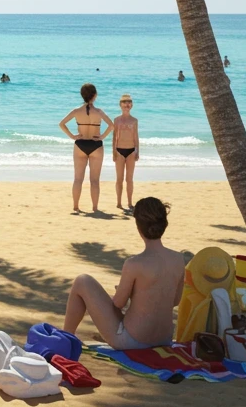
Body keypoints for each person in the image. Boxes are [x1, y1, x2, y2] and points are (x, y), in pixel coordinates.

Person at [62, 198, 182, 350]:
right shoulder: (178, 259)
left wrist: (127, 292)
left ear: (139, 228)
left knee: (82, 281)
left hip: (133, 341)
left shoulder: (134, 264)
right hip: (164, 339)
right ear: (164, 224)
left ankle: (65, 337)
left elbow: (119, 303)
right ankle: (66, 337)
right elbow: (175, 301)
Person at [59, 83, 114, 214]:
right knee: (94, 180)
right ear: (95, 95)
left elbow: (61, 124)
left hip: (80, 144)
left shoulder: (76, 111)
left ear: (82, 95)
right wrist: (101, 137)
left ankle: (76, 207)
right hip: (96, 145)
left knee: (78, 178)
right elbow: (111, 125)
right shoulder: (99, 112)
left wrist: (73, 136)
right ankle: (95, 208)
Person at [112, 95, 140, 213]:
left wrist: (137, 150)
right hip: (119, 150)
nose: (126, 104)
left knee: (129, 179)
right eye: (124, 102)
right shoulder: (117, 120)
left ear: (131, 105)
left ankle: (129, 202)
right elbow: (114, 136)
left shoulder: (134, 120)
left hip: (131, 151)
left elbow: (136, 136)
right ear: (120, 105)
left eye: (129, 102)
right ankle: (119, 202)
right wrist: (113, 151)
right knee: (119, 179)